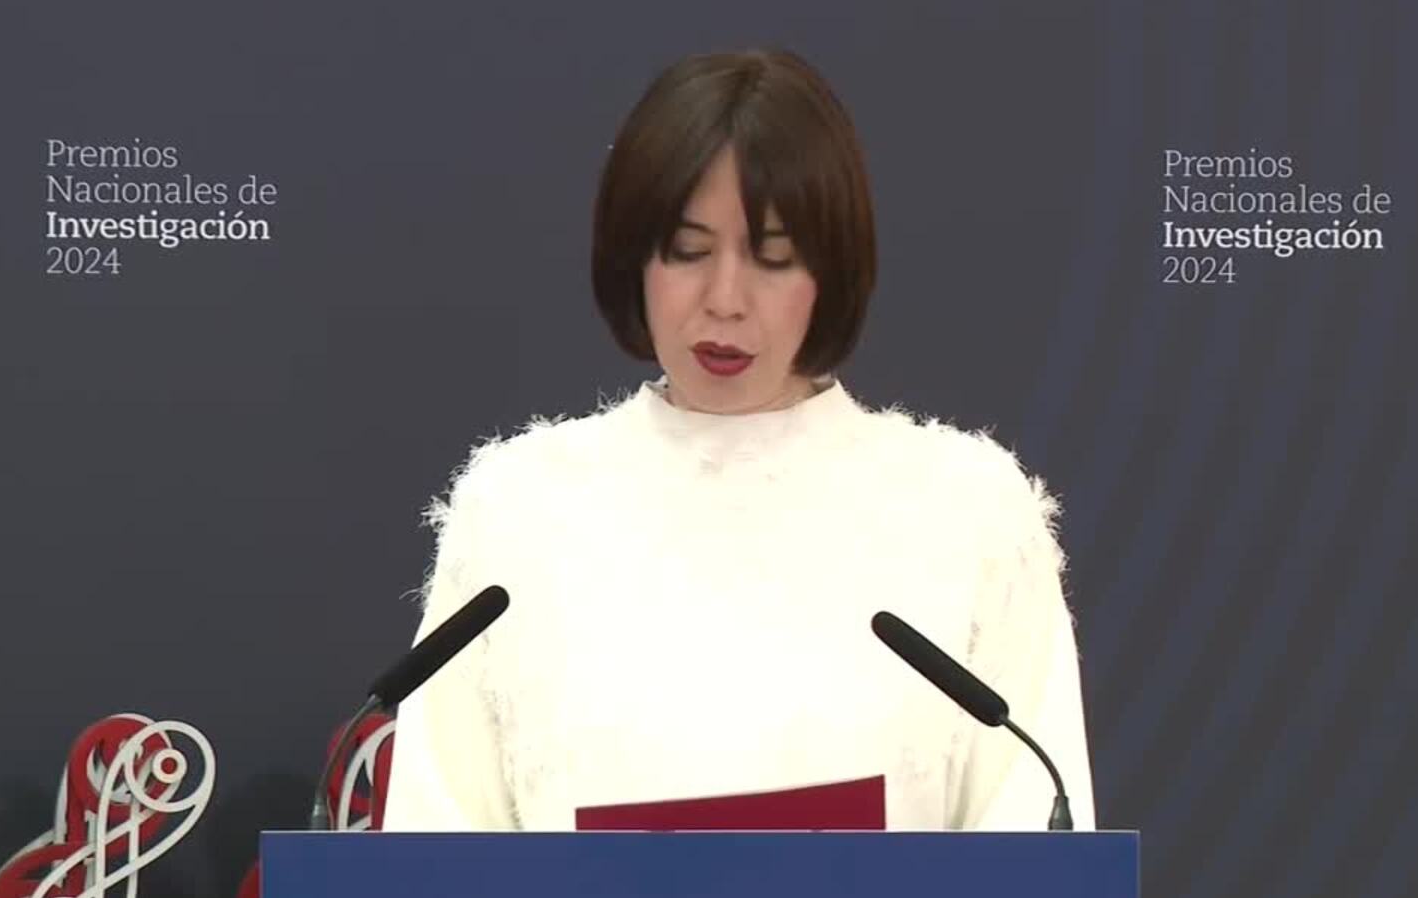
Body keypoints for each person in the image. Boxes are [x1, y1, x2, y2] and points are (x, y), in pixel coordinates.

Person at [380, 49, 1094, 831]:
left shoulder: (969, 514)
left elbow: (1039, 858)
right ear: (633, 257)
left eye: (774, 257)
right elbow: (435, 852)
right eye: (688, 251)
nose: (725, 300)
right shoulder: (517, 508)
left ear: (832, 272)